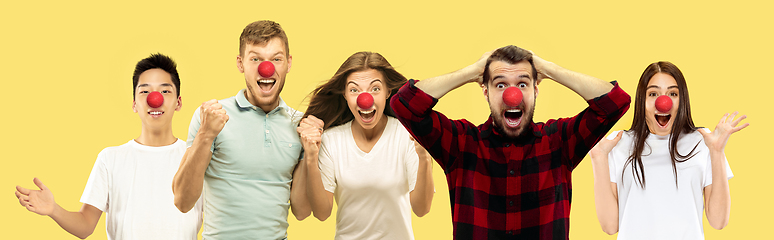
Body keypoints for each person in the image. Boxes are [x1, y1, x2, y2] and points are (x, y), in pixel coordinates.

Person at [390, 45, 631, 239]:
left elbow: (614, 102)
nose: (511, 94)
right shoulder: (461, 144)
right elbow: (404, 105)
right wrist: (472, 71)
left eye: (523, 84)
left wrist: (547, 68)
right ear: (486, 92)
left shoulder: (559, 141)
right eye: (500, 84)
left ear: (536, 90)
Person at [14, 53, 203, 240]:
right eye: (145, 91)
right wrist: (54, 209)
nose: (155, 99)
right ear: (134, 104)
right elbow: (85, 226)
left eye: (165, 91)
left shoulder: (197, 157)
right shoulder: (111, 158)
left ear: (178, 102)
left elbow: (218, 221)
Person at [172, 20, 311, 239]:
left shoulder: (299, 124)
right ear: (240, 63)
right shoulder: (210, 116)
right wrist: (206, 136)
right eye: (255, 59)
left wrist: (311, 152)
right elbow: (182, 200)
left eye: (276, 59)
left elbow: (302, 211)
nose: (267, 68)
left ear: (288, 63)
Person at [589, 61, 747, 239]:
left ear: (682, 100)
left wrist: (717, 152)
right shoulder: (618, 143)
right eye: (653, 93)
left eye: (672, 93)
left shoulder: (703, 142)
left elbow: (719, 221)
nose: (663, 102)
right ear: (643, 101)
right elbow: (610, 226)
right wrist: (598, 157)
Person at [298, 51, 434, 240]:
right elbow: (322, 213)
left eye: (375, 89)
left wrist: (424, 156)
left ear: (388, 92)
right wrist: (311, 157)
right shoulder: (331, 140)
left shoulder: (407, 135)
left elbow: (422, 209)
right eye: (354, 90)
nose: (365, 98)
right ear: (345, 95)